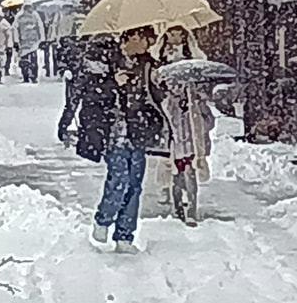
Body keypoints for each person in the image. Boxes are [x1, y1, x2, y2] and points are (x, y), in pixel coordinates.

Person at [72, 27, 167, 253]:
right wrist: (113, 83)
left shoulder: (148, 65)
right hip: (113, 132)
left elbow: (157, 98)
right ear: (129, 38)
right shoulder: (105, 59)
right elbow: (88, 92)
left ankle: (125, 235)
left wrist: (159, 84)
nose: (145, 44)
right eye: (141, 39)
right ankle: (103, 219)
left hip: (139, 130)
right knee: (119, 179)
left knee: (135, 184)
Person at [156, 26, 214, 225]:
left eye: (178, 34)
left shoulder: (194, 57)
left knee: (190, 164)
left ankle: (192, 206)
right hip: (169, 112)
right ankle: (177, 203)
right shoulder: (159, 57)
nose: (174, 38)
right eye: (171, 34)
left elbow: (202, 84)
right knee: (173, 165)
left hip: (190, 113)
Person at [11, 3, 47, 83]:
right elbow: (15, 29)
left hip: (33, 42)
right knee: (24, 61)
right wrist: (16, 41)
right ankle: (26, 76)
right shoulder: (19, 16)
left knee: (33, 60)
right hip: (23, 43)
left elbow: (40, 27)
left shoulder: (35, 15)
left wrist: (42, 40)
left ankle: (34, 76)